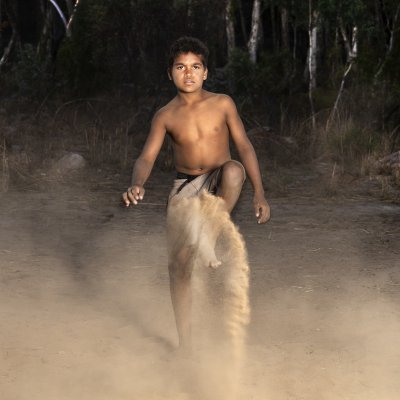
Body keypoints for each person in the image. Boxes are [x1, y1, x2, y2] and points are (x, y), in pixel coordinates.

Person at [122, 36, 270, 351]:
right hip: (185, 186)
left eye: (195, 67)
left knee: (233, 170)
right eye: (181, 67)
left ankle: (208, 235)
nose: (188, 73)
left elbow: (244, 146)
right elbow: (146, 156)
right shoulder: (165, 115)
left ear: (205, 73)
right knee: (179, 266)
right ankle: (185, 344)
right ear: (170, 73)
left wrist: (260, 193)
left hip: (218, 178)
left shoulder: (222, 103)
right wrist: (137, 183)